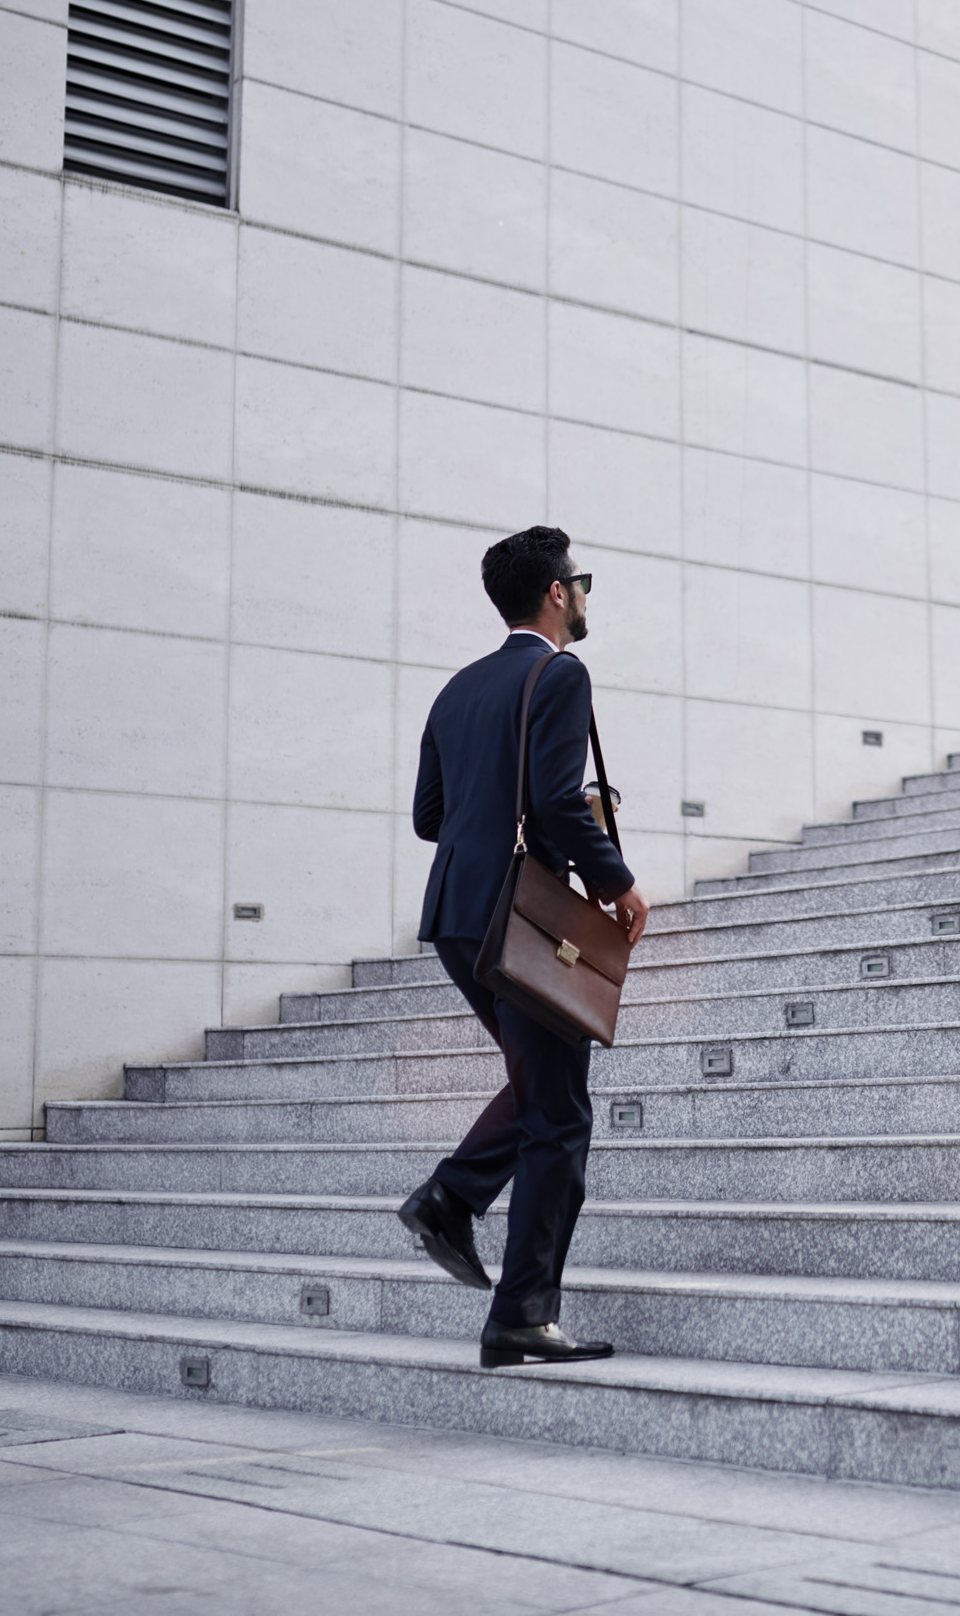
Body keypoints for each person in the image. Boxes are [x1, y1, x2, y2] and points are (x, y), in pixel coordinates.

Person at [397, 526, 649, 1366]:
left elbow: (430, 818)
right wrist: (614, 880)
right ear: (554, 593)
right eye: (581, 581)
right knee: (561, 1115)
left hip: (457, 916)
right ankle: (520, 1311)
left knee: (540, 1086)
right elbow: (552, 803)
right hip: (520, 915)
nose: (584, 596)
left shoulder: (458, 688)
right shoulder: (561, 671)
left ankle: (452, 1197)